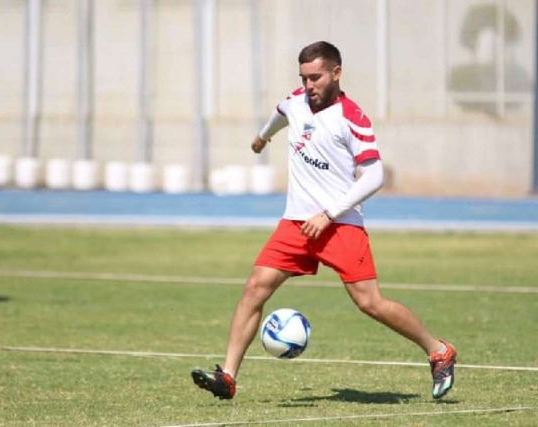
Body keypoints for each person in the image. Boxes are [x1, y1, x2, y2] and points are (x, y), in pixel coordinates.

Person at [191, 41, 456, 400]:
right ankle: (228, 377)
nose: (308, 85)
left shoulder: (353, 118)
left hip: (340, 224)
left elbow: (375, 176)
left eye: (315, 77)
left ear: (336, 72)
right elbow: (282, 112)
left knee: (370, 303)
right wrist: (261, 138)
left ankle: (439, 350)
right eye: (303, 78)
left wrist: (329, 214)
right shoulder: (297, 99)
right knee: (256, 287)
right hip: (295, 223)